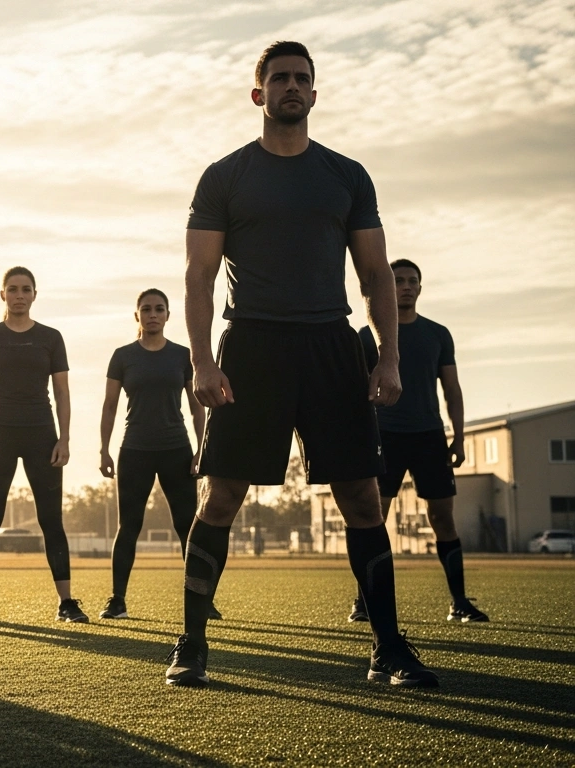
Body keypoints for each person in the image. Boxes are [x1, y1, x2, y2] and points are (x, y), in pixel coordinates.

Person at [170, 41, 437, 688]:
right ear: (258, 94)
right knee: (223, 496)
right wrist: (203, 362)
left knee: (363, 500)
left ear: (315, 95)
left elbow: (375, 274)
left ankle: (387, 648)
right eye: (280, 78)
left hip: (331, 347)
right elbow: (200, 278)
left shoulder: (347, 176)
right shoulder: (225, 176)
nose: (292, 87)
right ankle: (192, 643)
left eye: (303, 79)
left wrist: (389, 358)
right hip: (253, 347)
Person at [350, 259, 486, 623]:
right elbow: (352, 395)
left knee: (442, 516)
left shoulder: (438, 334)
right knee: (373, 518)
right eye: (398, 281)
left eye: (412, 281)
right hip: (383, 437)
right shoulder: (366, 337)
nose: (406, 286)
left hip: (428, 436)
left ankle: (459, 602)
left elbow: (452, 390)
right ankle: (364, 602)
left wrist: (458, 437)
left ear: (420, 289)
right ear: (386, 288)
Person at [0, 267, 85, 624]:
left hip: (41, 434)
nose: (19, 295)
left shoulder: (51, 337)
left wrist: (64, 437)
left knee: (51, 520)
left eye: (25, 289)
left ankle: (67, 602)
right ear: (2, 294)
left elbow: (62, 392)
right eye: (12, 289)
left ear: (34, 294)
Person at [97, 289, 214, 620]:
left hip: (177, 450)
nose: (152, 314)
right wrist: (103, 449)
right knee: (129, 525)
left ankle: (202, 599)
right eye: (146, 309)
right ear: (137, 315)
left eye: (159, 309)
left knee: (187, 526)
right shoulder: (122, 356)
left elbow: (197, 409)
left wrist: (201, 449)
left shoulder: (182, 355)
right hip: (134, 450)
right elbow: (109, 406)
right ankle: (117, 600)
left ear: (167, 315)